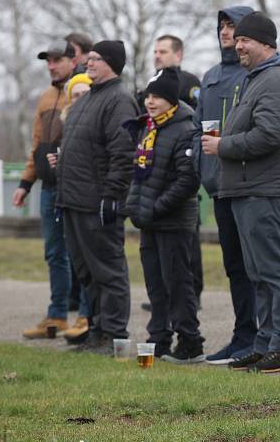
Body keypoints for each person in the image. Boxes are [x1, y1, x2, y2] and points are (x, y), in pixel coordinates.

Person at [202, 11, 280, 373]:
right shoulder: (256, 78)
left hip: (267, 190)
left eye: (245, 40)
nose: (237, 44)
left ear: (266, 43)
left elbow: (270, 134)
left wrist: (223, 147)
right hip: (249, 190)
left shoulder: (277, 79)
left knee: (275, 270)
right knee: (258, 272)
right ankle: (265, 344)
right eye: (237, 39)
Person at [55, 40, 139, 355]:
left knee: (108, 270)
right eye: (88, 58)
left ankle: (113, 335)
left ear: (112, 64)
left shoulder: (118, 100)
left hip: (97, 204)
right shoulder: (87, 99)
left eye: (95, 59)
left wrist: (112, 196)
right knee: (87, 271)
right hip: (74, 202)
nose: (88, 63)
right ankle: (97, 331)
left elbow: (123, 153)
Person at [123, 69, 204, 363]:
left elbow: (187, 181)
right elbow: (141, 175)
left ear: (171, 100)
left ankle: (190, 342)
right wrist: (134, 207)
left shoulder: (184, 128)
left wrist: (155, 208)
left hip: (174, 222)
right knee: (155, 285)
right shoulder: (149, 128)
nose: (150, 102)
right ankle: (159, 338)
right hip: (150, 222)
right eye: (148, 96)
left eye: (157, 97)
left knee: (179, 284)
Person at [195, 5, 257, 365]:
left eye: (232, 26)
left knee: (254, 266)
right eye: (221, 26)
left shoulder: (254, 74)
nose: (224, 31)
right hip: (217, 185)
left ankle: (262, 337)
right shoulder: (211, 75)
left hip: (247, 183)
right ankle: (242, 334)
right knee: (233, 265)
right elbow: (198, 128)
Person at [16, 40, 76, 339]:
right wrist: (25, 183)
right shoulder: (44, 98)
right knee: (54, 253)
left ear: (72, 60)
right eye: (48, 62)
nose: (51, 66)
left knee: (77, 253)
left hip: (75, 187)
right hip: (48, 187)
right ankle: (57, 316)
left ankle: (87, 317)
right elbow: (37, 144)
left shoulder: (80, 92)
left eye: (56, 60)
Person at [139, 34, 203, 312]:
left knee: (187, 244)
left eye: (163, 51)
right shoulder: (153, 82)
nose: (157, 55)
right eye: (155, 51)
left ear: (178, 54)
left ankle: (194, 292)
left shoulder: (188, 83)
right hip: (156, 176)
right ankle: (163, 299)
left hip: (181, 166)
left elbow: (197, 116)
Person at [46, 73, 94, 344]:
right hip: (65, 198)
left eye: (83, 94)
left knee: (88, 263)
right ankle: (75, 315)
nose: (78, 100)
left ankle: (87, 316)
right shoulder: (65, 121)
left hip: (86, 201)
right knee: (70, 260)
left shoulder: (94, 121)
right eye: (74, 96)